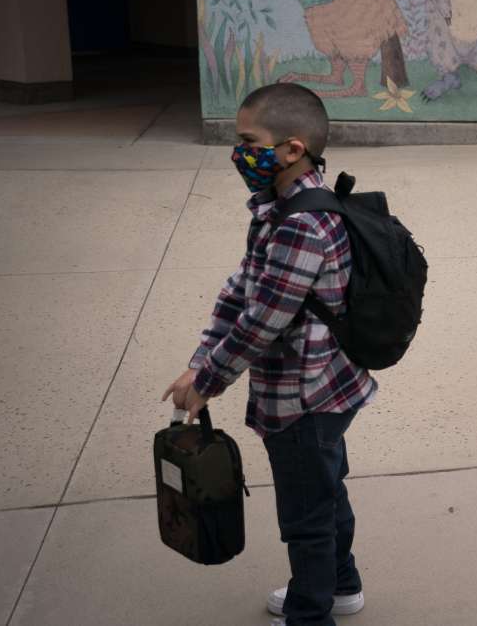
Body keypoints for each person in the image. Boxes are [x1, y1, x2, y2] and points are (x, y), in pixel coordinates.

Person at [160, 83, 374, 626]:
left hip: (305, 400)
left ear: (292, 149)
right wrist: (201, 356)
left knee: (306, 516)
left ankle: (311, 613)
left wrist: (209, 379)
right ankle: (341, 584)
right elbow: (242, 287)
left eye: (248, 140)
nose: (239, 152)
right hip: (328, 385)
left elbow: (264, 321)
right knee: (325, 492)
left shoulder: (301, 223)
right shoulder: (280, 206)